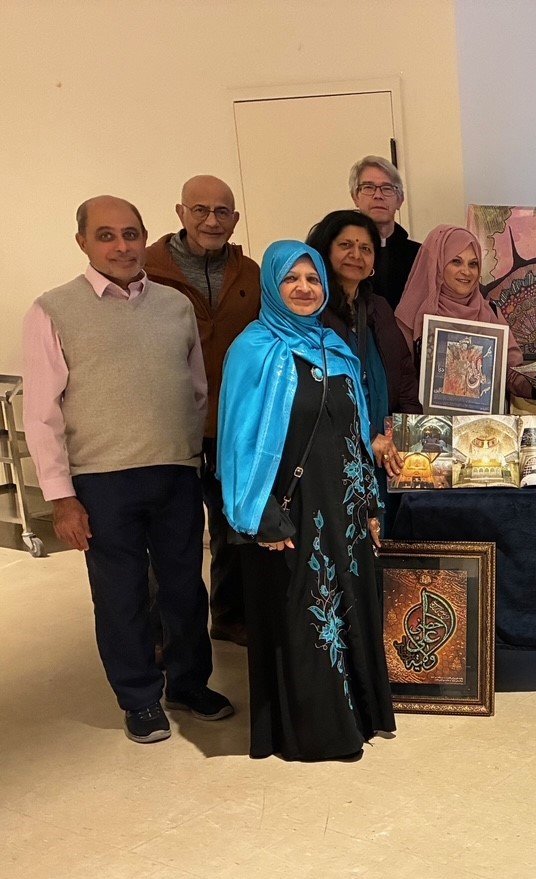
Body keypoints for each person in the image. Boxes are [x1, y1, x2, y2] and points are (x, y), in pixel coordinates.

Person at [21, 196, 233, 744]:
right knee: (121, 595)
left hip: (174, 472)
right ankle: (139, 698)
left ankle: (189, 684)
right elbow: (41, 414)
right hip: (100, 480)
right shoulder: (53, 310)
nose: (122, 246)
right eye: (107, 235)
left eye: (131, 234)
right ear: (83, 242)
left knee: (185, 588)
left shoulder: (174, 306)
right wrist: (61, 498)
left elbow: (195, 390)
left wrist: (187, 454)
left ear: (145, 237)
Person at [218, 241, 397, 761]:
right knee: (305, 616)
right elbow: (237, 442)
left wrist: (370, 506)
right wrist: (262, 517)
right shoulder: (253, 350)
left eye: (312, 279)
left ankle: (357, 717)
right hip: (289, 510)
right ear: (272, 287)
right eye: (291, 279)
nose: (303, 288)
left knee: (349, 608)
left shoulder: (332, 345)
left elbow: (355, 434)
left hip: (343, 507)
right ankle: (316, 732)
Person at [144, 175, 261, 644]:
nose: (212, 221)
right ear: (180, 213)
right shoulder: (147, 270)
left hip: (232, 423)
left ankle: (229, 615)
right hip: (168, 424)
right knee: (171, 533)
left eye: (222, 212)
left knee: (233, 524)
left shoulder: (250, 273)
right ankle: (161, 633)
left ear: (235, 219)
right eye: (200, 210)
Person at [306, 210, 418, 507]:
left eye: (365, 248)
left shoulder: (379, 308)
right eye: (346, 245)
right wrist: (366, 436)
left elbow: (403, 372)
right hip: (334, 450)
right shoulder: (312, 312)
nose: (356, 255)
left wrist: (409, 432)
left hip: (385, 450)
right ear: (326, 251)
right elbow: (314, 392)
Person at [394, 224, 534, 399]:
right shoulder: (411, 316)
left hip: (482, 416)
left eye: (473, 264)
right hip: (424, 415)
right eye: (456, 261)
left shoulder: (490, 313)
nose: (466, 271)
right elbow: (400, 380)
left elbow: (511, 374)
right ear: (438, 264)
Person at [350, 155, 420, 310]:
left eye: (387, 188)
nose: (378, 195)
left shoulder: (420, 256)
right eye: (368, 187)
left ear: (400, 200)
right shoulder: (343, 254)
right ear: (355, 197)